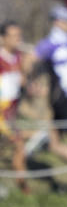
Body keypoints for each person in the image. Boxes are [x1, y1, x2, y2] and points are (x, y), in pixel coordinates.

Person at [32, 5, 67, 166]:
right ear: (57, 22)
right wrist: (33, 82)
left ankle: (46, 141)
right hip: (63, 97)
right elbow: (31, 60)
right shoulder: (49, 43)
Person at [0, 21, 32, 189]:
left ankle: (22, 188)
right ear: (3, 38)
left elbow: (22, 84)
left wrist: (29, 87)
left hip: (12, 112)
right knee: (19, 146)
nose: (17, 39)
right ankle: (24, 189)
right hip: (2, 113)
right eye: (13, 36)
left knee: (17, 147)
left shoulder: (20, 58)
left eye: (19, 36)